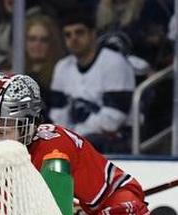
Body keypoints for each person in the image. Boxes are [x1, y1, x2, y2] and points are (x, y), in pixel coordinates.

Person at [0, 72, 152, 215]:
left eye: (2, 132)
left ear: (29, 128)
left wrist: (123, 214)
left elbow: (119, 191)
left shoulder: (55, 149)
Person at [49, 10, 135, 153]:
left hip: (113, 138)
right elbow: (58, 112)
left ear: (93, 34)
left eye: (79, 32)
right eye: (68, 35)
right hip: (75, 137)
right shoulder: (62, 67)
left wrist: (75, 135)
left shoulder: (114, 62)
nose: (73, 38)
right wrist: (65, 136)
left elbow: (113, 117)